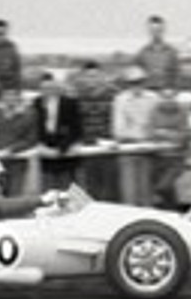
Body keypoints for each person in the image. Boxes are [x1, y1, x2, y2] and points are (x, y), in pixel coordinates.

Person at [0, 156, 67, 222]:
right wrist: (41, 200)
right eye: (0, 178)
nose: (2, 183)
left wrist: (40, 213)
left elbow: (7, 214)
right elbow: (5, 206)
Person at [111, 65, 160, 206]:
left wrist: (147, 135)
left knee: (147, 192)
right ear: (127, 84)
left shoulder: (153, 98)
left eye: (139, 82)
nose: (136, 85)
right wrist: (138, 134)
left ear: (144, 82)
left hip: (148, 150)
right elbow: (118, 129)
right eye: (133, 82)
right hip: (128, 150)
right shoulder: (120, 99)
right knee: (129, 193)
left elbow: (156, 123)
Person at [72, 62, 119, 200]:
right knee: (89, 184)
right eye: (89, 77)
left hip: (108, 145)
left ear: (102, 77)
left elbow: (117, 119)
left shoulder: (113, 94)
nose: (92, 80)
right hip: (87, 146)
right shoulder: (76, 96)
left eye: (96, 76)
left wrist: (111, 140)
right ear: (83, 78)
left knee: (110, 184)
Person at [34, 71, 83, 190]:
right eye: (44, 88)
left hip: (66, 152)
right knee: (48, 192)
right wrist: (42, 147)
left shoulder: (70, 103)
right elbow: (34, 128)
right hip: (46, 153)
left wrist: (62, 149)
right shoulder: (36, 103)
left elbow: (77, 129)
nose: (47, 91)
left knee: (67, 190)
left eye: (51, 87)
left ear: (57, 87)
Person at [149, 86, 190, 210]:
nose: (168, 100)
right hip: (158, 157)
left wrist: (163, 133)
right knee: (165, 189)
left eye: (171, 97)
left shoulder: (182, 111)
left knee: (163, 187)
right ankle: (173, 213)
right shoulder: (155, 111)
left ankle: (172, 211)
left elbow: (184, 136)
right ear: (160, 98)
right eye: (165, 97)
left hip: (176, 158)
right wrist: (172, 134)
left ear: (175, 97)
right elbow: (151, 132)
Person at [136, 14, 180, 91]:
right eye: (152, 30)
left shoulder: (171, 52)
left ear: (163, 30)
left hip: (166, 92)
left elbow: (176, 74)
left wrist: (172, 90)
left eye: (158, 30)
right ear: (149, 31)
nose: (155, 33)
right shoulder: (142, 53)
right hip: (147, 92)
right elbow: (137, 75)